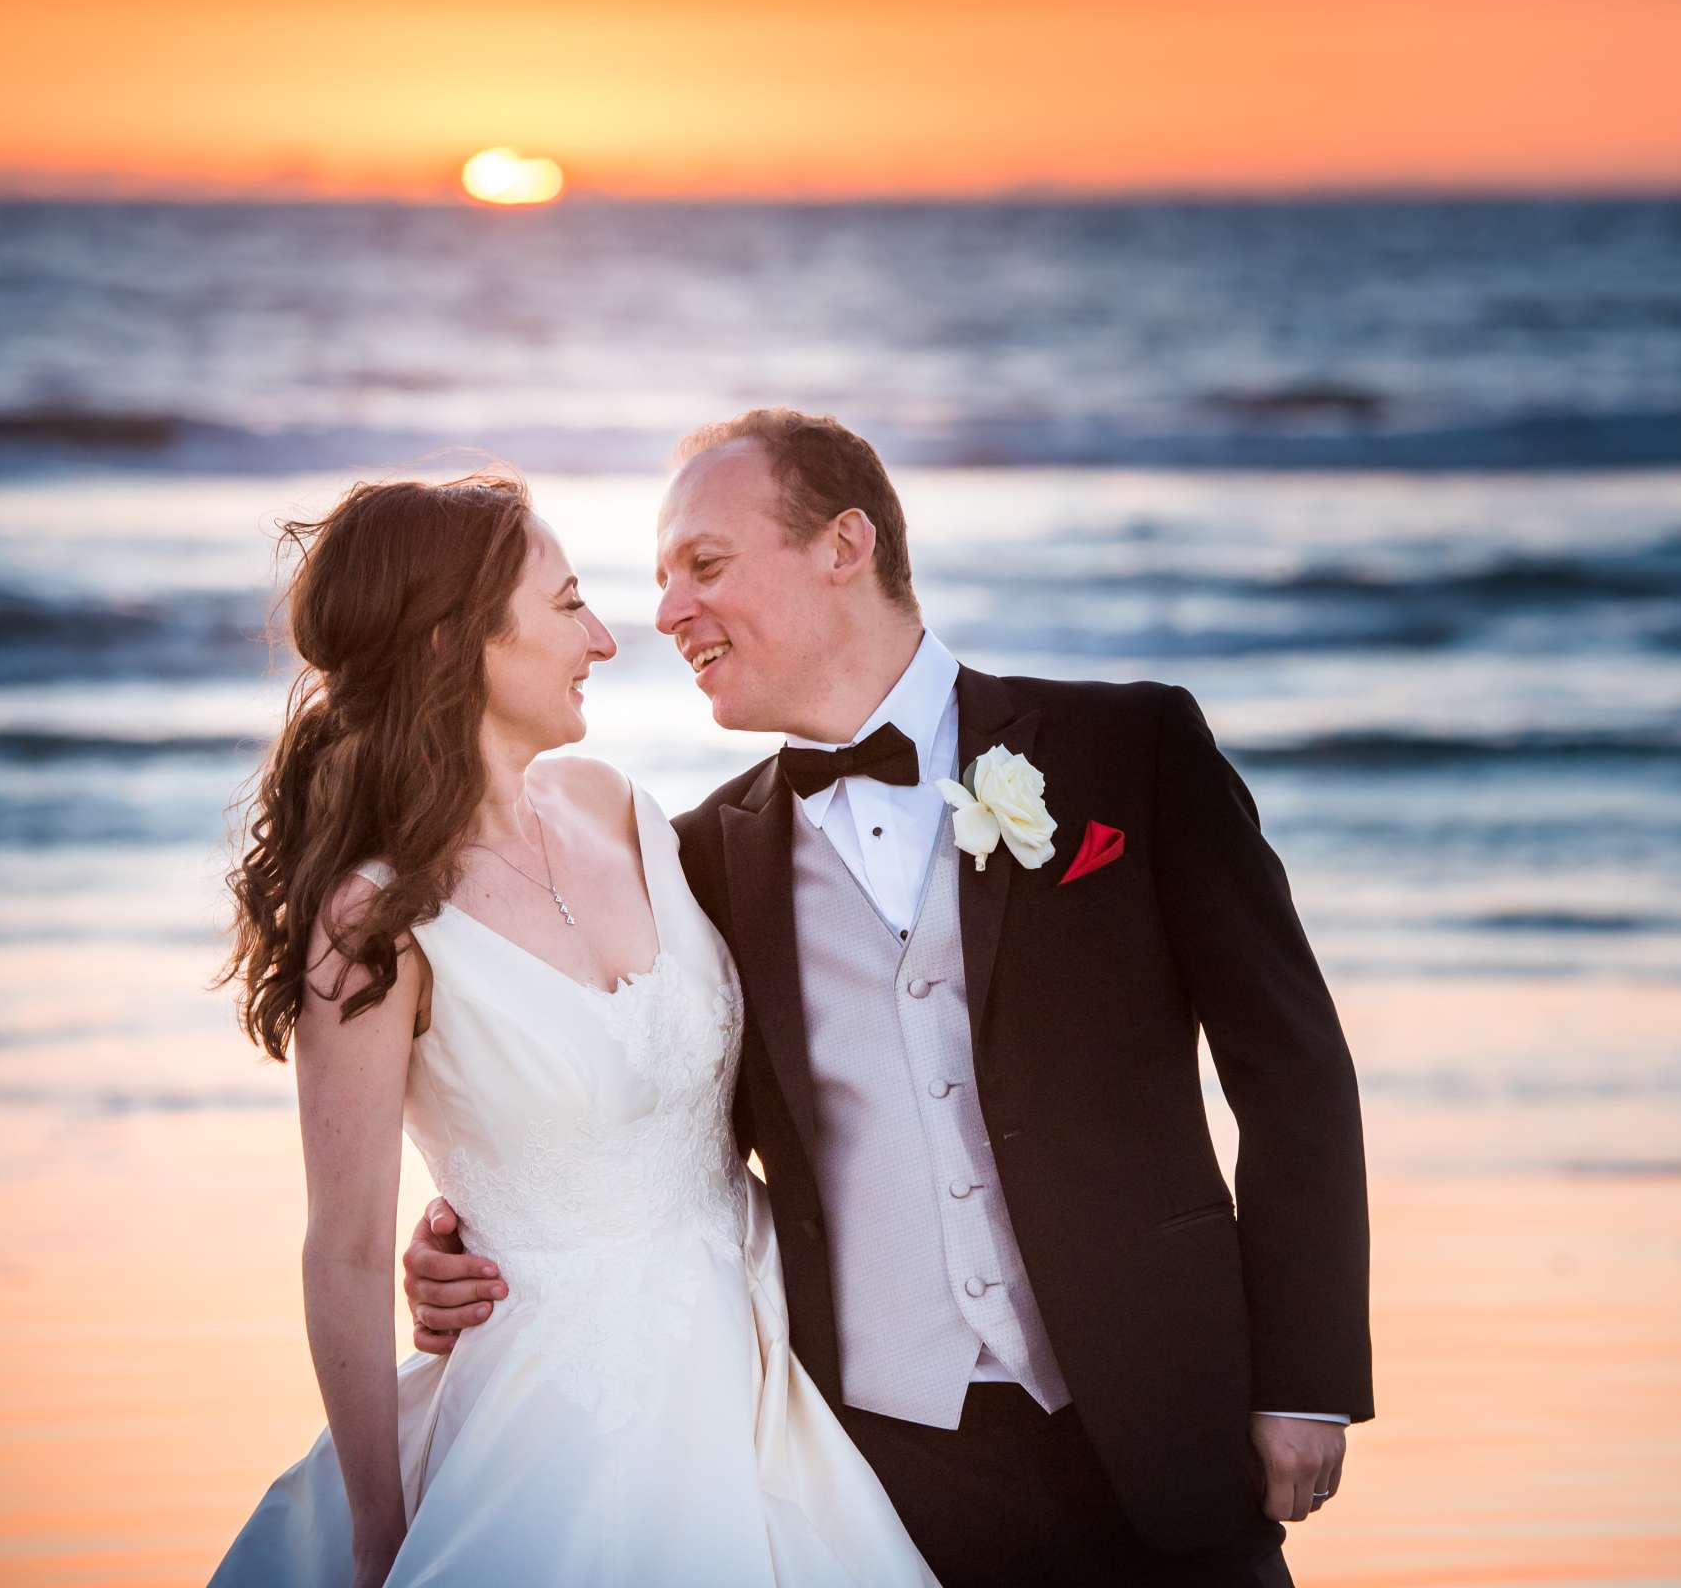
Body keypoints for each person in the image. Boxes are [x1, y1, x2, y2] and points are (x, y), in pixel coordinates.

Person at [406, 412, 1374, 1585]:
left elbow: (1293, 1074)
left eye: (704, 567)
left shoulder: (1131, 750)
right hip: (881, 1476)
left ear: (844, 545)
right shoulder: (700, 860)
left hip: (1167, 1413)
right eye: (661, 581)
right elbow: (649, 1122)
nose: (665, 617)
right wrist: (481, 1231)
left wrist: (1305, 1377)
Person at [210, 472, 938, 1586]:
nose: (602, 638)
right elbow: (345, 1249)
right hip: (560, 1413)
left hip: (762, 1360)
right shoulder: (371, 920)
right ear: (458, 642)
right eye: (566, 606)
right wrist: (378, 1528)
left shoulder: (619, 807)